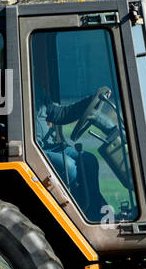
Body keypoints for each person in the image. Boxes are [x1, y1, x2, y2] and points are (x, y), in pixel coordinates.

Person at [33, 85, 110, 219]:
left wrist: (90, 101)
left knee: (89, 160)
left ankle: (95, 210)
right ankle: (75, 215)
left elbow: (60, 114)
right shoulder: (0, 91)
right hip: (34, 148)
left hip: (50, 145)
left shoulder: (36, 91)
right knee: (68, 166)